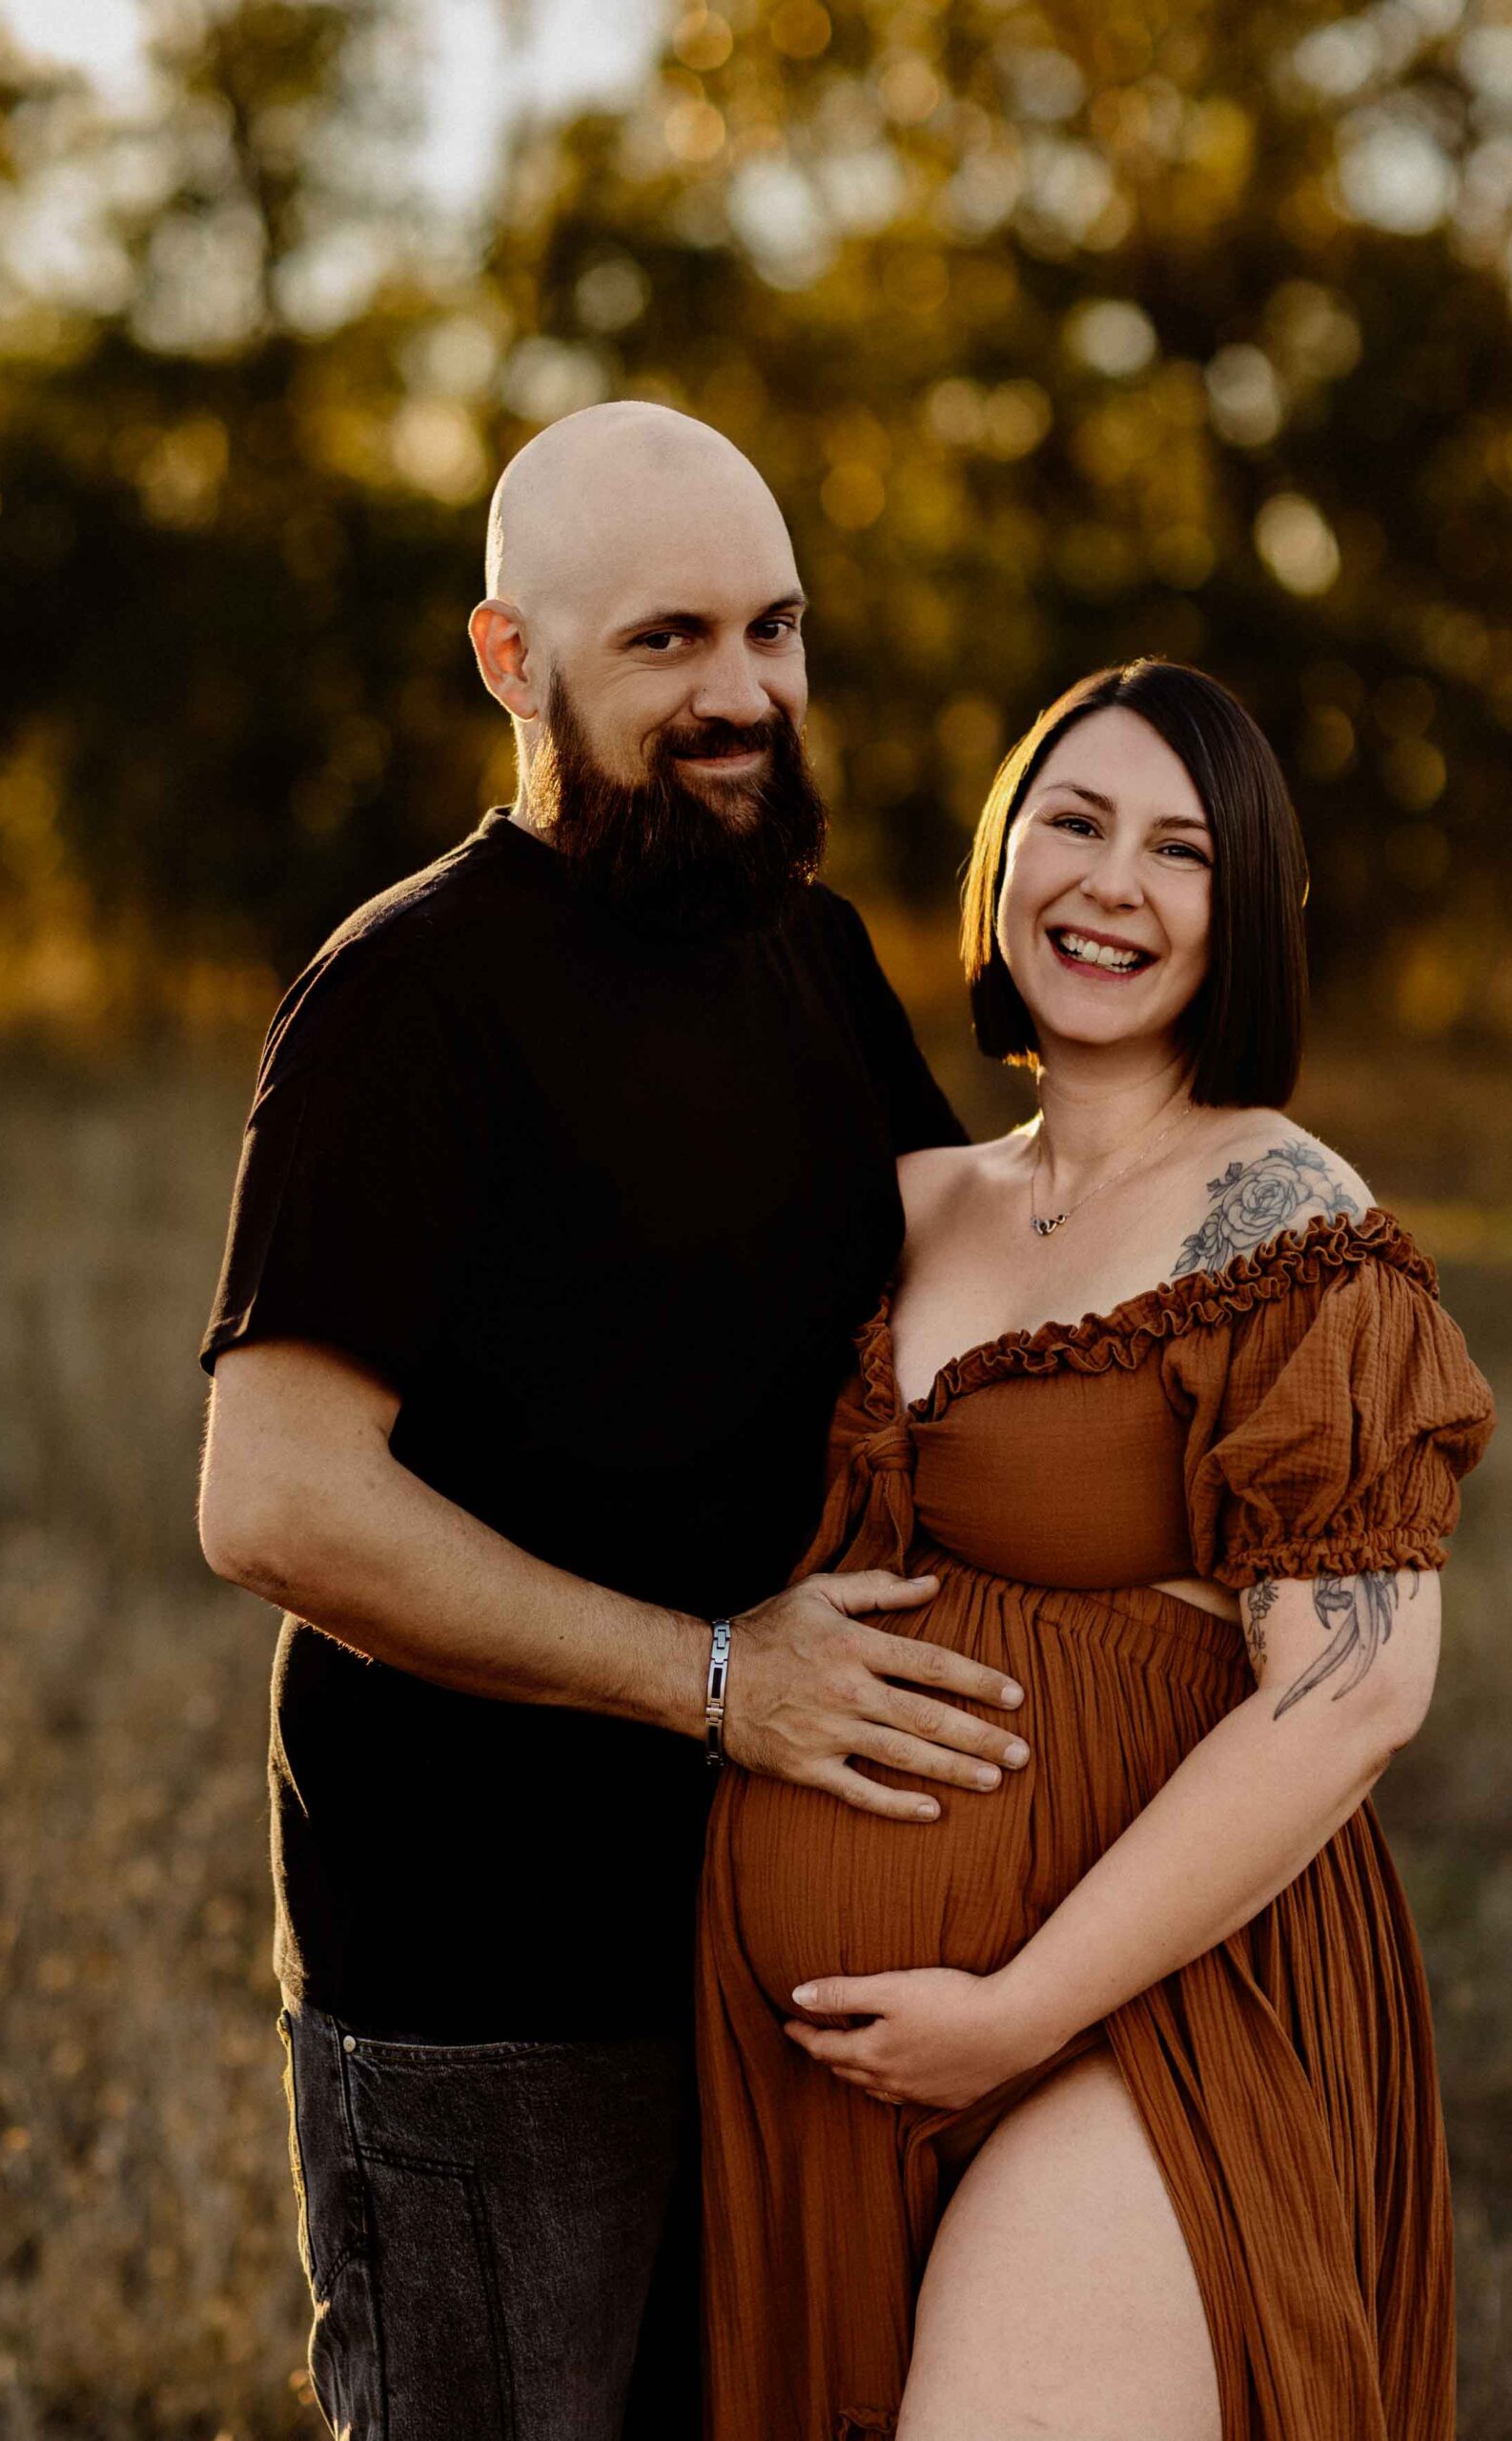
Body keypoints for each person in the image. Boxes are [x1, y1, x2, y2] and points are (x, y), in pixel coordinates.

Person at [194, 402, 1032, 2440]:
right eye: (666, 641)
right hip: (491, 1993)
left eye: (777, 627)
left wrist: (1250, 1185)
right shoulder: (408, 998)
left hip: (783, 1952)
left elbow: (984, 1286)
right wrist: (715, 1675)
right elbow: (277, 1499)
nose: (743, 692)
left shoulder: (808, 952)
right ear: (510, 659)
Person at [698, 659, 1495, 2441]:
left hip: (1148, 2015)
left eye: (1178, 849)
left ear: (1244, 915)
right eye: (1071, 820)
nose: (1110, 882)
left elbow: (1353, 1699)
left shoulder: (1289, 1219)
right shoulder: (907, 1202)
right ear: (1002, 860)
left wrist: (1018, 2006)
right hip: (831, 2067)